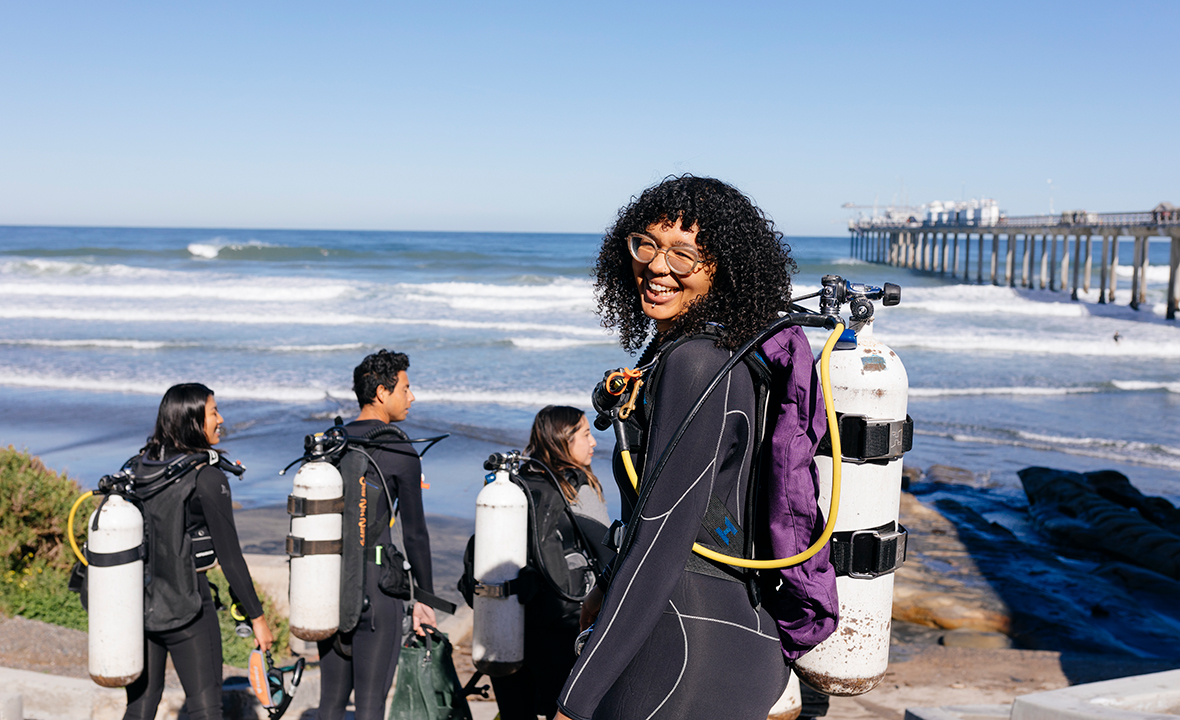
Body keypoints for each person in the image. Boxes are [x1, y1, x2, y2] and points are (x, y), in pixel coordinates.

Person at [556, 176, 837, 720]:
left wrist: (577, 695)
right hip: (734, 639)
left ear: (721, 269)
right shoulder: (730, 355)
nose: (659, 267)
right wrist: (605, 590)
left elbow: (664, 536)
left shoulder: (695, 363)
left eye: (685, 254)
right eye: (648, 244)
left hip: (681, 656)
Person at [125, 383, 274, 720]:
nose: (221, 419)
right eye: (213, 412)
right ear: (193, 421)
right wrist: (258, 619)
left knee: (141, 705)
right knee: (206, 706)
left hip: (138, 600)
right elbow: (231, 557)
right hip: (189, 602)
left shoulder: (140, 467)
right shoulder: (206, 476)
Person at [318, 350, 436, 720]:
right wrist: (425, 599)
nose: (411, 397)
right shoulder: (398, 447)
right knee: (370, 707)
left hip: (326, 583)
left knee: (331, 705)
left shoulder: (329, 444)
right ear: (383, 393)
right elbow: (415, 533)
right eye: (406, 387)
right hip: (376, 589)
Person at [490, 405, 611, 720]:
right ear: (565, 439)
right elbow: (608, 555)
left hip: (510, 622)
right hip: (565, 625)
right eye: (586, 434)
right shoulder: (576, 485)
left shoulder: (516, 483)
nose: (594, 442)